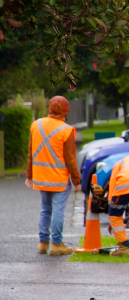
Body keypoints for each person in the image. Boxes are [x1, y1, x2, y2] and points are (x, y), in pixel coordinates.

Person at [25, 96, 82, 256]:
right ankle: (57, 244)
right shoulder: (67, 130)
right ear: (66, 110)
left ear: (49, 108)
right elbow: (71, 159)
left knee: (45, 210)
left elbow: (31, 153)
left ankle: (43, 243)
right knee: (58, 211)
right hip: (59, 180)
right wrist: (77, 180)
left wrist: (30, 175)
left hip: (42, 178)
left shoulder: (36, 125)